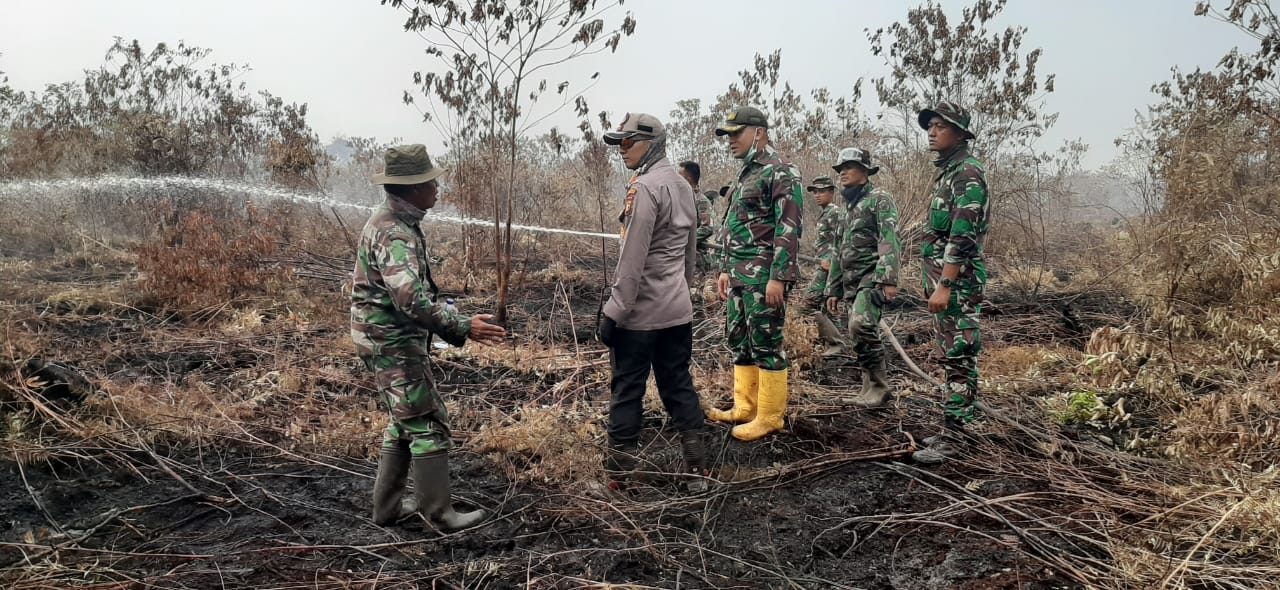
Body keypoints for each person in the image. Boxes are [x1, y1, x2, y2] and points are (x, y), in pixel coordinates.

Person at [352, 144, 507, 531]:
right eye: (431, 182)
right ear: (413, 188)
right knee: (427, 420)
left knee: (404, 418)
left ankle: (387, 509)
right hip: (391, 340)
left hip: (383, 336)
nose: (437, 188)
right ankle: (439, 514)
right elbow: (410, 299)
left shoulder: (396, 222)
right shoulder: (393, 233)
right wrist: (462, 326)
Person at [598, 113, 707, 486]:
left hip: (639, 314)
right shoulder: (684, 187)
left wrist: (614, 311)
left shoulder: (644, 188)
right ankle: (697, 472)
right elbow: (689, 255)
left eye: (628, 142)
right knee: (678, 384)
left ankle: (618, 477)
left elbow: (632, 257)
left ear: (652, 144)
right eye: (619, 143)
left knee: (628, 388)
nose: (622, 150)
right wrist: (682, 294)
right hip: (677, 311)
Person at [705, 106, 804, 442]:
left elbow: (788, 227)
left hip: (763, 276)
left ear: (758, 132)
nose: (730, 140)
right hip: (737, 274)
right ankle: (745, 407)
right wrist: (724, 269)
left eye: (737, 133)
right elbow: (732, 223)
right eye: (728, 135)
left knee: (766, 343)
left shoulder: (781, 170)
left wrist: (779, 276)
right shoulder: (746, 172)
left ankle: (770, 416)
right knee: (739, 340)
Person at [910, 102, 991, 465]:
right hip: (945, 281)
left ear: (959, 134)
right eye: (930, 126)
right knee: (951, 353)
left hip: (958, 283)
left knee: (959, 353)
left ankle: (956, 436)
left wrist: (944, 284)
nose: (932, 132)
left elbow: (962, 236)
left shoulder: (967, 174)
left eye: (940, 126)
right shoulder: (948, 173)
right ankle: (954, 425)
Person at [823, 148, 901, 407]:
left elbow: (889, 239)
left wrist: (887, 279)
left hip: (871, 277)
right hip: (850, 282)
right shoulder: (847, 207)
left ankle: (880, 387)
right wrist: (833, 288)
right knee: (855, 332)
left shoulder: (880, 199)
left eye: (849, 167)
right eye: (840, 168)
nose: (842, 172)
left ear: (865, 171)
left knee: (861, 325)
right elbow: (837, 250)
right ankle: (868, 388)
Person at [801, 176, 843, 315]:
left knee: (808, 303)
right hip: (823, 264)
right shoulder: (826, 213)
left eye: (822, 191)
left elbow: (844, 240)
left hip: (829, 266)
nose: (817, 195)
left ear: (831, 192)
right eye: (815, 192)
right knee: (826, 307)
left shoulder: (835, 213)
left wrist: (833, 262)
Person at [676, 161, 718, 281]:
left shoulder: (701, 201)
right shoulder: (680, 199)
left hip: (696, 260)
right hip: (679, 257)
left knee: (693, 290)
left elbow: (708, 227)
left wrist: (685, 241)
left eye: (678, 177)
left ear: (688, 179)